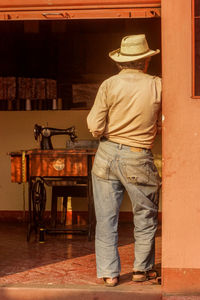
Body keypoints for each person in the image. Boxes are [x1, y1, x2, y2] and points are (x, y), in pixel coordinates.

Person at [87, 34, 162, 287]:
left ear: (120, 61)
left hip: (106, 154)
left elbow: (94, 126)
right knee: (145, 215)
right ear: (146, 61)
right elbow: (167, 120)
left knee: (106, 218)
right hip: (138, 156)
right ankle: (142, 269)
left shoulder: (108, 85)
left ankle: (109, 274)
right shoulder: (157, 85)